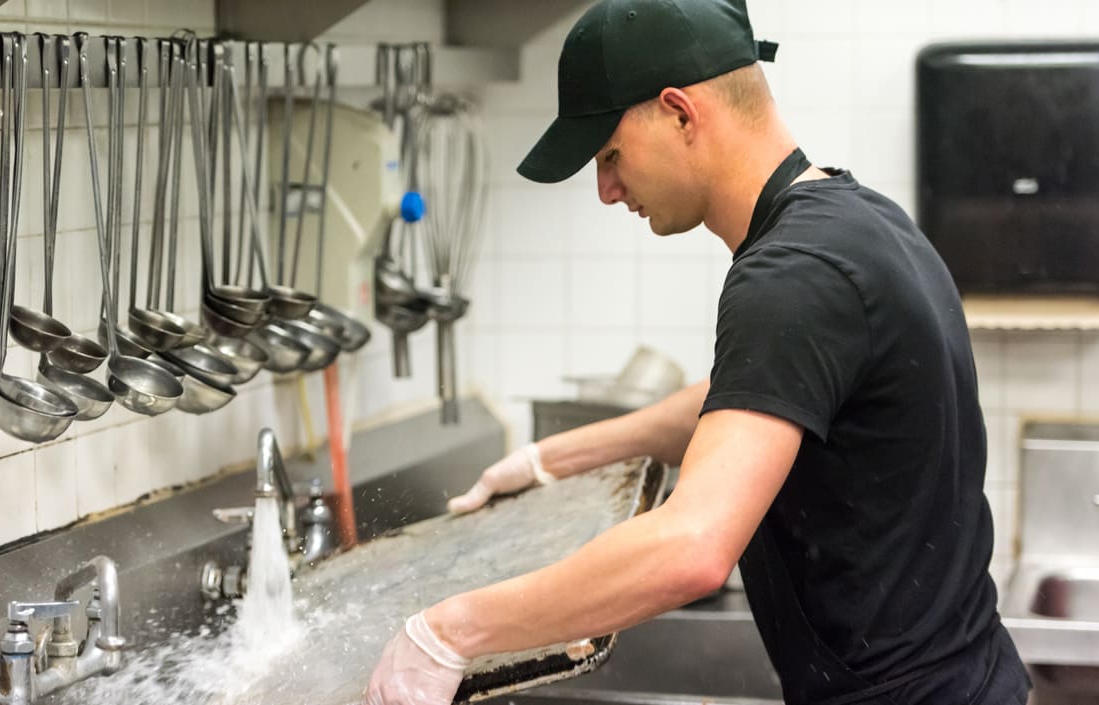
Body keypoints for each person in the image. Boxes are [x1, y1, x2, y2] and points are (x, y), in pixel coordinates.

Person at [363, 1, 1032, 703]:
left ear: (680, 112)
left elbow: (693, 549)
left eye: (610, 155)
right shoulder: (855, 219)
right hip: (972, 675)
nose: (606, 189)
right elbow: (748, 397)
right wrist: (553, 458)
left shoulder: (791, 274)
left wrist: (447, 630)